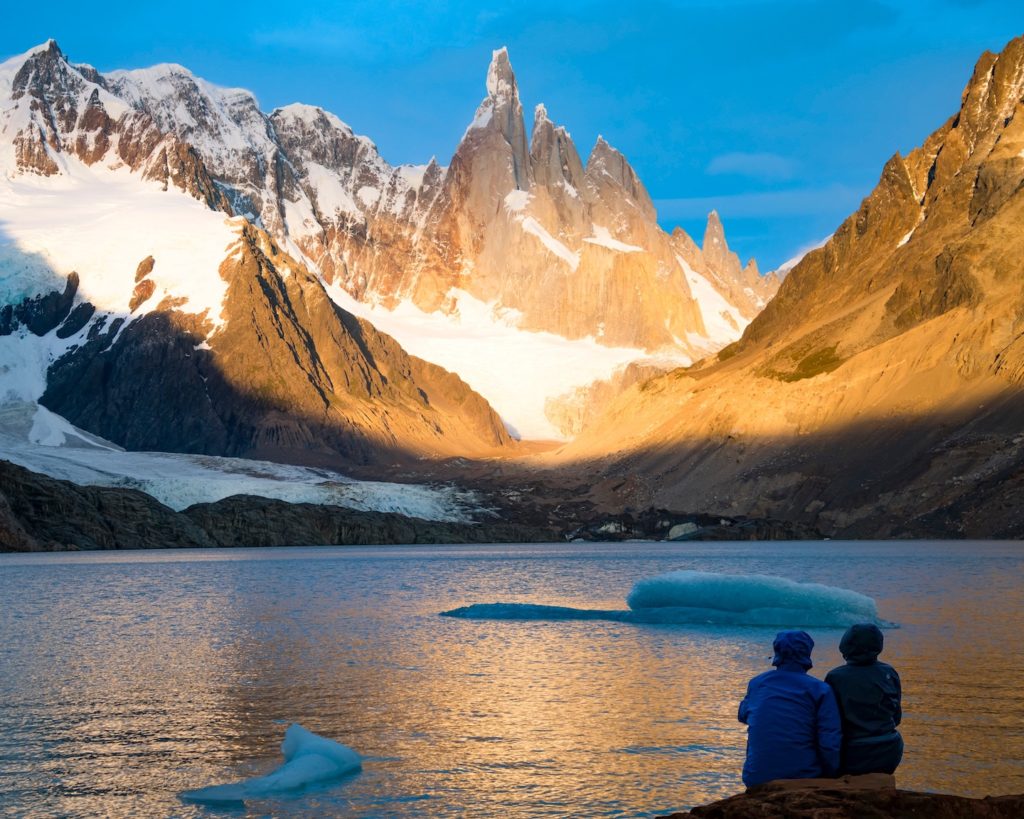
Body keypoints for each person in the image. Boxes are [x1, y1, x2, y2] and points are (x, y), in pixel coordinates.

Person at [738, 630, 842, 787]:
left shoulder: (757, 683)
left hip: (756, 777)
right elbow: (829, 741)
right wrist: (832, 774)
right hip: (803, 777)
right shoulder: (820, 689)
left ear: (777, 652)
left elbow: (743, 715)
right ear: (807, 652)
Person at [825, 623, 903, 776]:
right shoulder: (889, 672)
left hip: (854, 752)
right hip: (890, 749)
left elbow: (829, 722)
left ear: (845, 646)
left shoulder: (835, 677)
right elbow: (897, 717)